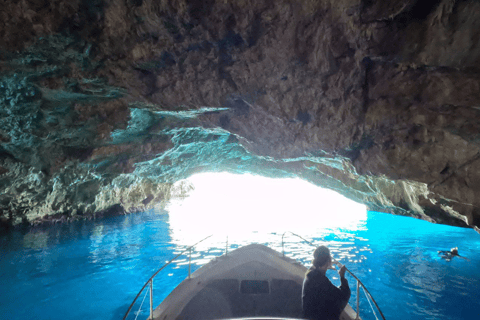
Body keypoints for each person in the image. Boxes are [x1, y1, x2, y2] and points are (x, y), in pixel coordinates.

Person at [302, 246, 351, 320]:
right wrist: (342, 277)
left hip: (309, 316)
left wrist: (326, 265)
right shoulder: (322, 281)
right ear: (328, 261)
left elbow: (315, 266)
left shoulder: (310, 274)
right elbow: (344, 295)